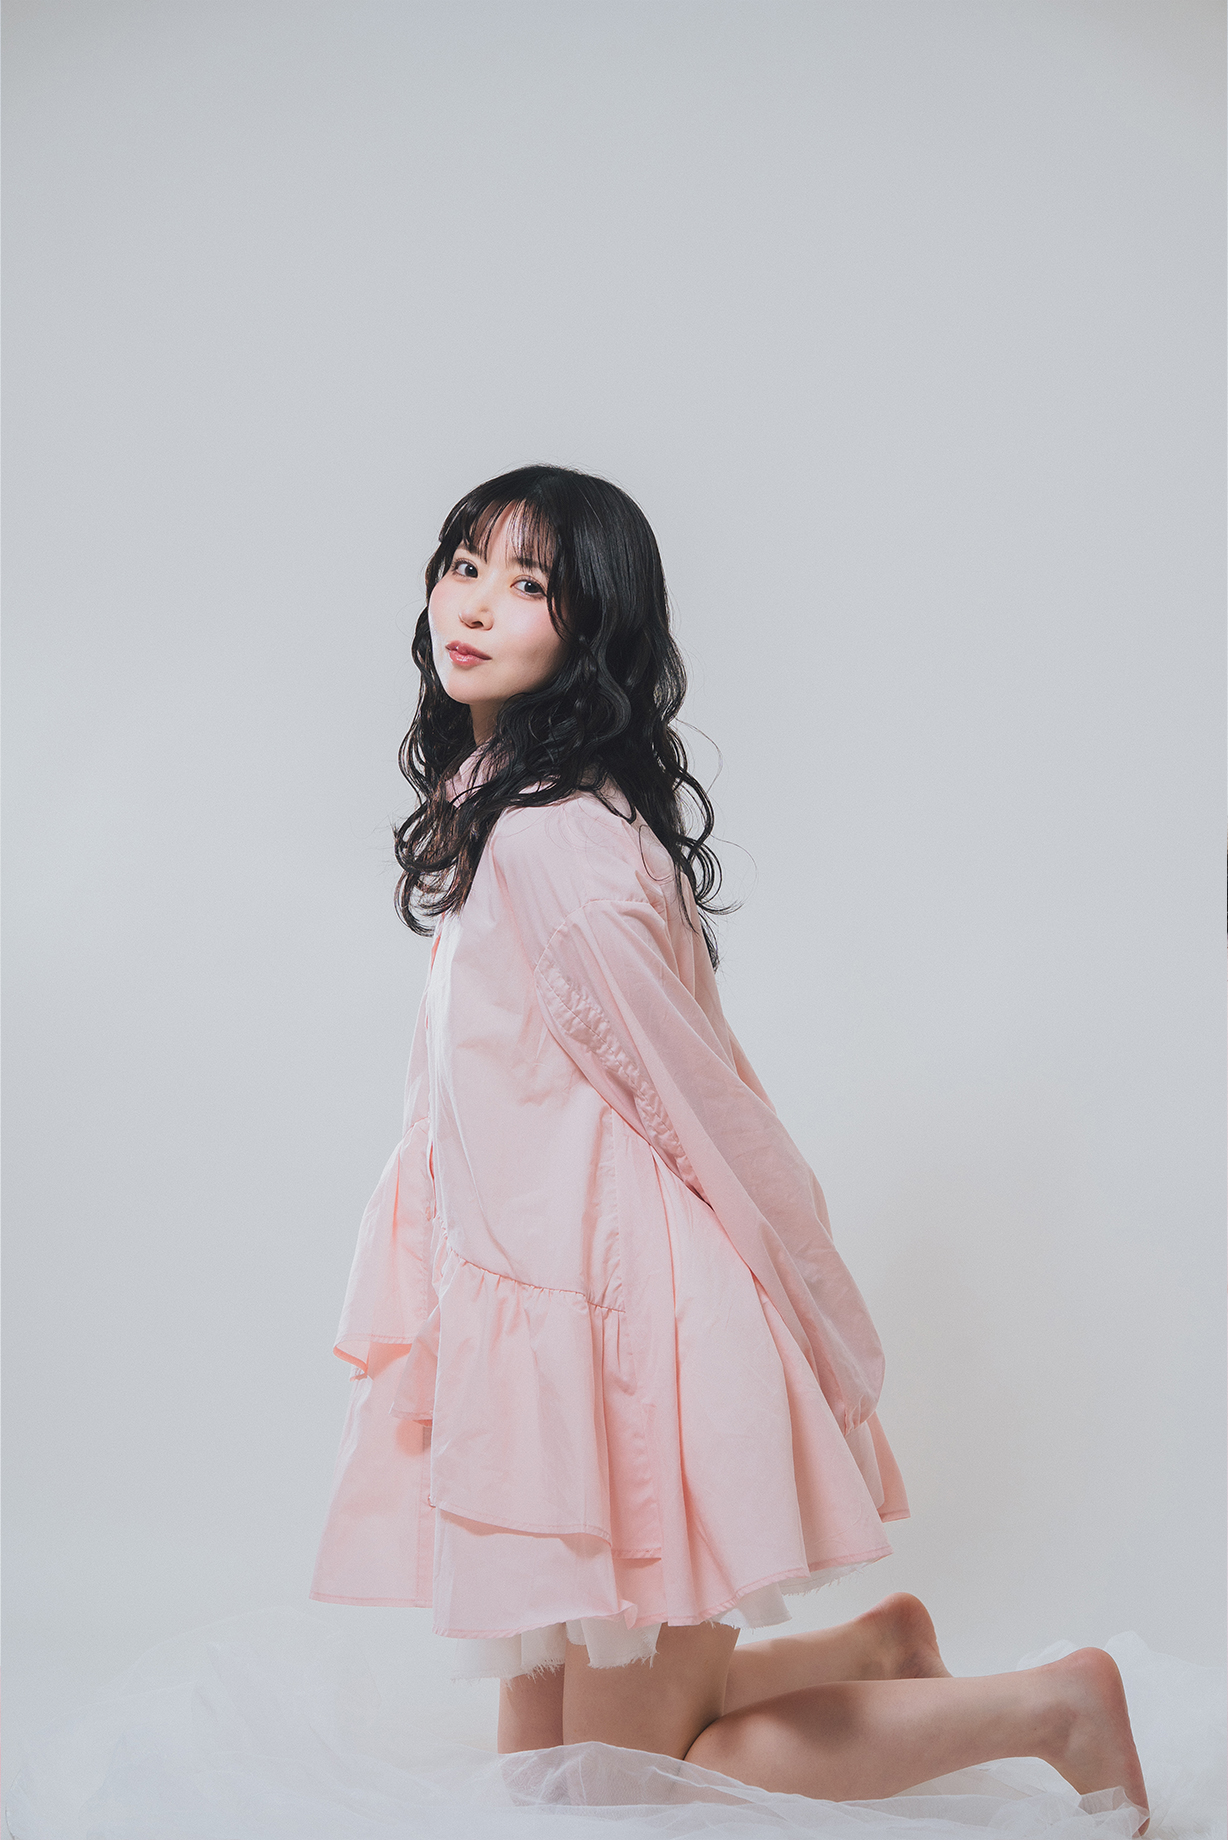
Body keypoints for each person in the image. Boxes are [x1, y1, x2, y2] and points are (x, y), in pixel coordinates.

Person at [310, 464, 1148, 1827]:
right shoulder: (509, 798)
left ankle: (1053, 1706)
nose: (476, 604)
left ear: (593, 630)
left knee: (630, 1781)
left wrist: (810, 1298)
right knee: (542, 1776)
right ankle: (877, 1654)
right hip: (553, 1324)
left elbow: (700, 1098)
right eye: (465, 565)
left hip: (634, 1337)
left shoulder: (555, 842)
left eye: (530, 584)